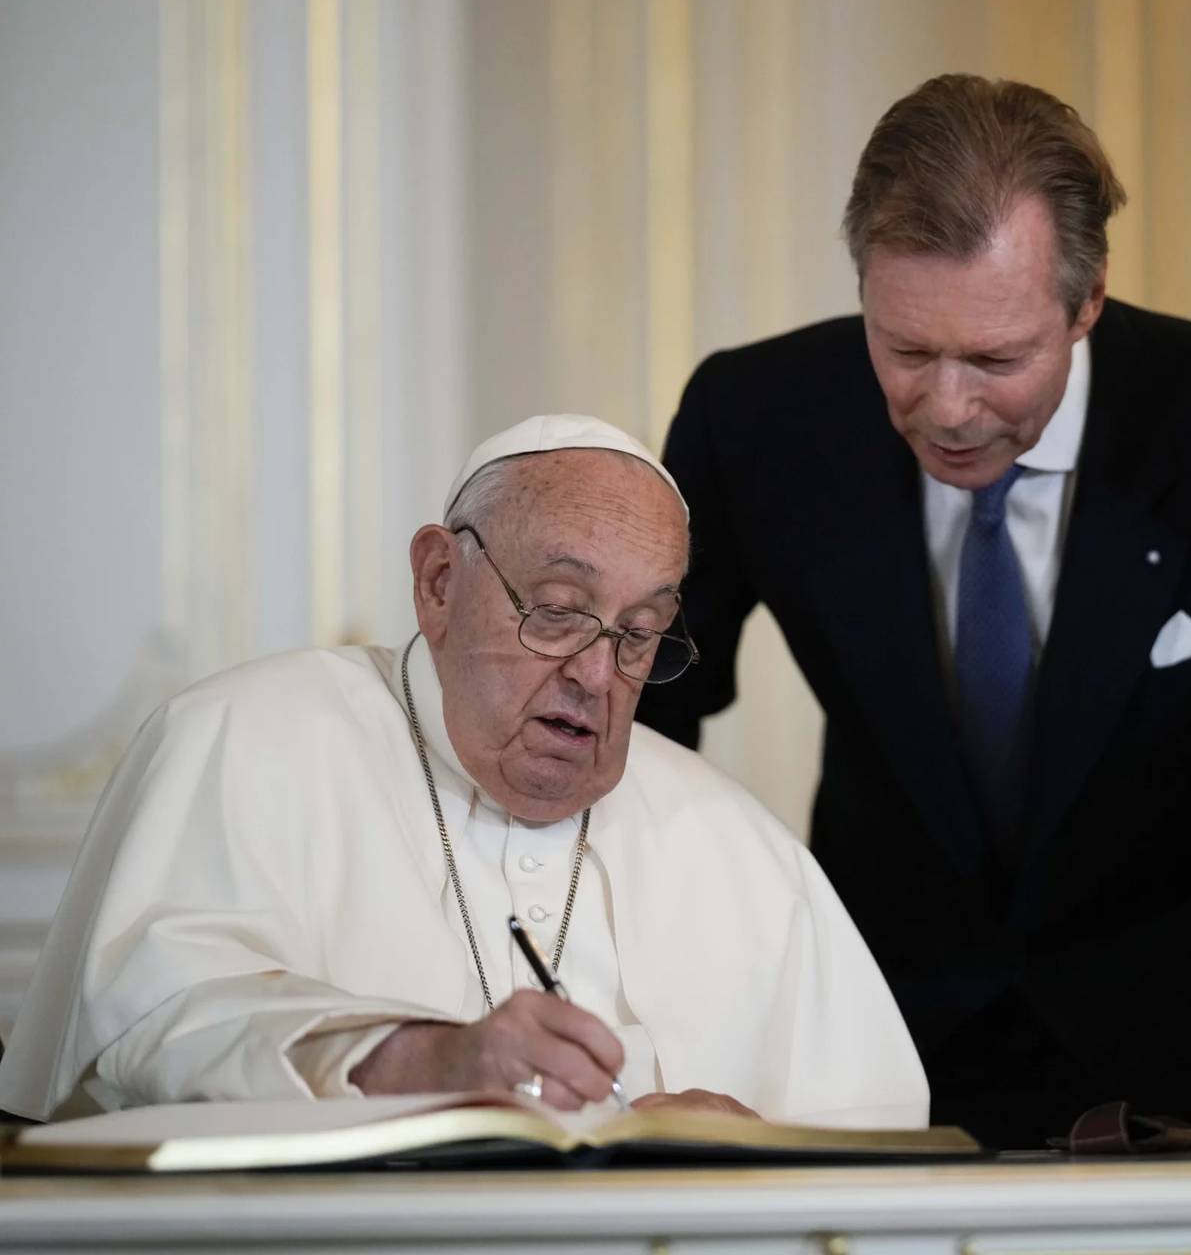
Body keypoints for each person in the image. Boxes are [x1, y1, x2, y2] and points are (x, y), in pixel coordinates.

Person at [635, 74, 1191, 1146]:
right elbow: (650, 701)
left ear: (1087, 303)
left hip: (1187, 1071)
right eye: (903, 350)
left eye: (996, 359)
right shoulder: (757, 418)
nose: (946, 407)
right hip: (874, 1044)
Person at [0, 415, 928, 1128]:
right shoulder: (247, 737)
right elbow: (151, 1021)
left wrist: (751, 1157)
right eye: (559, 612)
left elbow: (869, 1142)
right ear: (439, 581)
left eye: (639, 635)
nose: (597, 676)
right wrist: (432, 1064)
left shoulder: (738, 847)